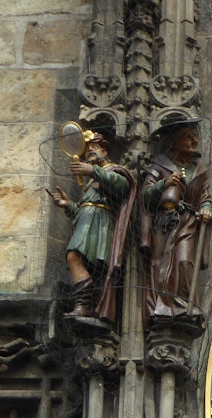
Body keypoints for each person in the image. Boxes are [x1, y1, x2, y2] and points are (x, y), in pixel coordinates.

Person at [46, 131, 136, 321]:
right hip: (87, 222)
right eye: (88, 152)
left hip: (100, 224)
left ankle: (85, 305)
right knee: (82, 262)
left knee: (74, 256)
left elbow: (122, 186)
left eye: (94, 149)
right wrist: (67, 205)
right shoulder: (92, 182)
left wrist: (92, 170)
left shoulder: (115, 171)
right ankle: (86, 305)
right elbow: (81, 210)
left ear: (104, 150)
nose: (90, 154)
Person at [139, 119, 212, 325]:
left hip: (188, 222)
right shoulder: (160, 165)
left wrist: (207, 209)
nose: (194, 140)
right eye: (187, 137)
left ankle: (184, 306)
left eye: (194, 136)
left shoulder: (198, 170)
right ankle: (161, 308)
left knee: (184, 262)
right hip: (165, 223)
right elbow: (146, 195)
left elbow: (206, 197)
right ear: (174, 142)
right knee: (161, 264)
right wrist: (164, 183)